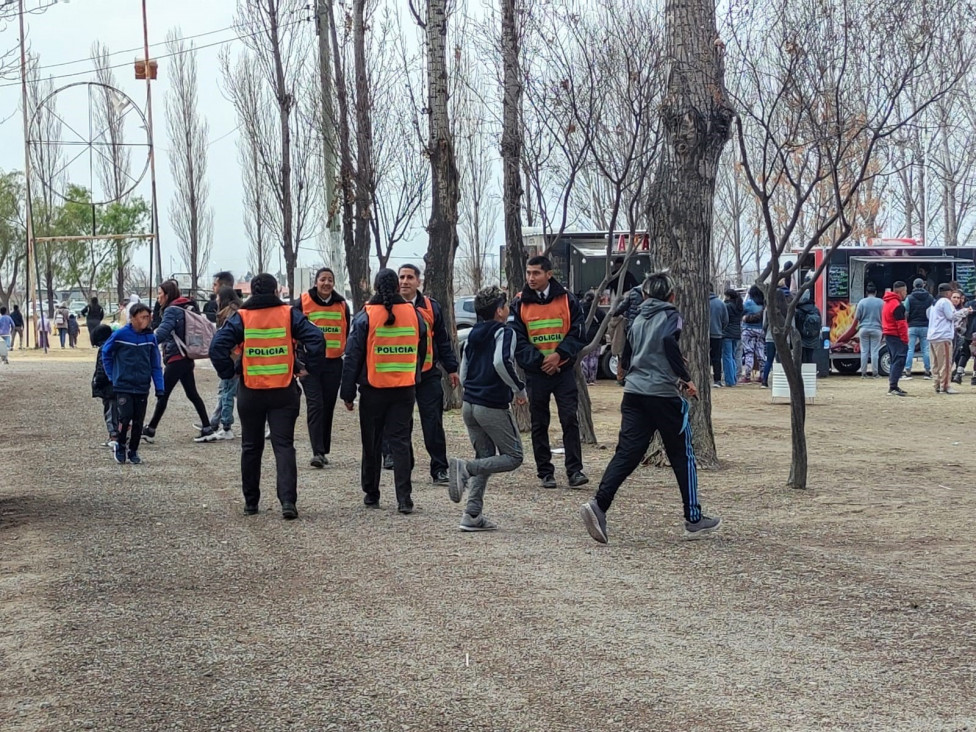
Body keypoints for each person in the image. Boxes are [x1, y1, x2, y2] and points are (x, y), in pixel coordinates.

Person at [580, 272, 721, 544]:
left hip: (634, 393)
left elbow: (633, 350)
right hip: (664, 396)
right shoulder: (671, 315)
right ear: (671, 295)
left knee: (628, 453)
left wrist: (627, 369)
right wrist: (685, 378)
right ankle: (693, 518)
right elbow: (668, 342)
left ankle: (599, 504)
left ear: (644, 295)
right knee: (682, 455)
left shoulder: (638, 318)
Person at [210, 272, 325, 520]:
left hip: (251, 391)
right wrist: (307, 367)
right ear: (276, 292)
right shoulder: (288, 314)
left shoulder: (242, 317)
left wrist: (229, 371)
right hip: (283, 391)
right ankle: (287, 502)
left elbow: (217, 346)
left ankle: (251, 502)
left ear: (252, 292)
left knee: (251, 447)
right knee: (284, 447)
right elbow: (316, 337)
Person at [341, 268, 427, 513]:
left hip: (373, 390)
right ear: (397, 286)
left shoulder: (366, 315)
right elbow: (421, 348)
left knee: (372, 443)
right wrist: (415, 374)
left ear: (376, 287)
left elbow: (352, 357)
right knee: (401, 443)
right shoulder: (413, 314)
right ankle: (404, 498)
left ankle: (371, 493)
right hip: (404, 388)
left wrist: (347, 393)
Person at [447, 286, 526, 532]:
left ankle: (472, 514)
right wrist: (519, 389)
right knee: (514, 456)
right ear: (499, 311)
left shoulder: (472, 334)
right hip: (491, 404)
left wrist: (468, 394)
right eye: (505, 305)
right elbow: (501, 361)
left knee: (485, 457)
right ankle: (465, 469)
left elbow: (464, 368)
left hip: (470, 404)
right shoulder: (505, 332)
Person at [512, 255, 588, 489]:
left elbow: (578, 332)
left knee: (569, 420)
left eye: (536, 273)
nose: (531, 278)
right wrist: (540, 361)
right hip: (537, 373)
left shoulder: (567, 299)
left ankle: (574, 471)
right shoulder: (519, 303)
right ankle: (545, 472)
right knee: (539, 423)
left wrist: (559, 356)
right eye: (528, 273)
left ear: (549, 274)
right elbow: (517, 339)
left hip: (563, 371)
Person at [385, 264, 459, 485]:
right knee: (399, 423)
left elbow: (442, 340)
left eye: (410, 277)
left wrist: (452, 368)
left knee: (433, 422)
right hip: (399, 377)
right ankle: (401, 464)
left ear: (419, 281)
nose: (405, 281)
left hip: (427, 375)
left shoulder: (430, 307)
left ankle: (439, 469)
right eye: (401, 277)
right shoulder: (388, 306)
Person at [143, 279, 216, 443]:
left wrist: (145, 343)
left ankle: (150, 429)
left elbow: (163, 332)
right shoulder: (188, 307)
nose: (158, 298)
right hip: (186, 355)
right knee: (192, 393)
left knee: (163, 393)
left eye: (160, 294)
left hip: (176, 357)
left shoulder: (172, 311)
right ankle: (207, 427)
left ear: (167, 295)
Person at [297, 266, 349, 468]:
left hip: (334, 364)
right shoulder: (302, 302)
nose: (326, 283)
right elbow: (294, 332)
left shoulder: (342, 305)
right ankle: (317, 452)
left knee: (327, 406)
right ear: (315, 281)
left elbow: (348, 331)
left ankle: (323, 449)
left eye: (330, 280)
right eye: (322, 279)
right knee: (315, 405)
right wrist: (299, 362)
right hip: (310, 366)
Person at [100, 303, 164, 465]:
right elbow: (106, 353)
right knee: (125, 416)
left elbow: (156, 364)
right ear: (133, 318)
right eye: (143, 317)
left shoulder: (150, 338)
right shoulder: (120, 335)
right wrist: (112, 375)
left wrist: (159, 387)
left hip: (142, 385)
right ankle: (120, 446)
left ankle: (133, 450)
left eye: (148, 317)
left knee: (138, 420)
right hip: (123, 385)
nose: (146, 320)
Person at [201, 286, 244, 439]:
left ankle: (226, 426)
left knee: (227, 391)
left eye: (218, 296)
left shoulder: (230, 313)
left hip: (231, 357)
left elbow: (227, 338)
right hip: (235, 356)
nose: (216, 300)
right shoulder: (237, 310)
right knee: (230, 390)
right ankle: (214, 422)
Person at [927, 283, 967, 394]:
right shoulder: (945, 302)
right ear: (948, 292)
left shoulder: (934, 302)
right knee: (945, 363)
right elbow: (951, 316)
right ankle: (945, 386)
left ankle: (937, 384)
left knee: (935, 363)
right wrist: (964, 312)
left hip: (933, 336)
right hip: (943, 336)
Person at [90, 324, 119, 448]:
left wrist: (98, 382)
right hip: (119, 383)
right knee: (119, 410)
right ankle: (123, 432)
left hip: (108, 386)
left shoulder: (104, 348)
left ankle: (113, 435)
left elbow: (102, 368)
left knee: (110, 411)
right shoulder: (117, 345)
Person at [882, 281, 909, 396]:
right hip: (896, 336)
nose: (906, 294)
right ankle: (893, 386)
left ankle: (893, 386)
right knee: (899, 360)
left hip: (888, 335)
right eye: (905, 291)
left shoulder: (887, 303)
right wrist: (905, 339)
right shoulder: (898, 305)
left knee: (894, 360)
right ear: (900, 291)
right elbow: (901, 324)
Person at [903, 278, 934, 379]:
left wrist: (906, 322)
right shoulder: (930, 298)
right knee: (926, 349)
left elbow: (906, 312)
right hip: (925, 326)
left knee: (910, 349)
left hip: (912, 326)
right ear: (923, 285)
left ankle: (907, 371)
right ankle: (927, 371)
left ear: (913, 285)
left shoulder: (909, 298)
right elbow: (933, 312)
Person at [853, 283, 884, 378]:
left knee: (864, 351)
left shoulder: (862, 302)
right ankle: (875, 373)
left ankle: (863, 373)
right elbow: (884, 316)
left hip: (864, 329)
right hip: (877, 329)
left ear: (866, 292)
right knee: (875, 351)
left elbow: (857, 317)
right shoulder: (881, 302)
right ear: (875, 292)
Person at [741, 285, 765, 383]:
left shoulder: (748, 303)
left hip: (748, 329)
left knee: (748, 352)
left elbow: (741, 312)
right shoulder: (763, 304)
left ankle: (747, 375)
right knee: (761, 352)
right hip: (760, 330)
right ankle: (763, 375)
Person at [579, 290, 604, 385]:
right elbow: (604, 322)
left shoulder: (580, 309)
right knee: (594, 357)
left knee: (584, 357)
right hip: (595, 336)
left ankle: (584, 378)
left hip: (583, 336)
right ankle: (592, 378)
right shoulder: (598, 311)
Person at [794, 289, 822, 364]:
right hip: (813, 338)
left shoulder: (799, 310)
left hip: (802, 338)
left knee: (802, 357)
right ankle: (810, 373)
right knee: (810, 357)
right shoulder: (815, 309)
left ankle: (803, 374)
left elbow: (796, 325)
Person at [722, 289, 743, 386]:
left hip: (727, 333)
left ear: (728, 297)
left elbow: (724, 319)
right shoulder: (739, 307)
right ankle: (734, 378)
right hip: (737, 334)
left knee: (727, 356)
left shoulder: (727, 306)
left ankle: (729, 380)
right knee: (733, 356)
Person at [708, 289, 728, 387]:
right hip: (717, 334)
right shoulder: (720, 303)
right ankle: (717, 380)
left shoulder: (700, 303)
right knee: (716, 358)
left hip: (703, 337)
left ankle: (705, 377)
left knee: (704, 357)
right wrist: (720, 328)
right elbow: (726, 320)